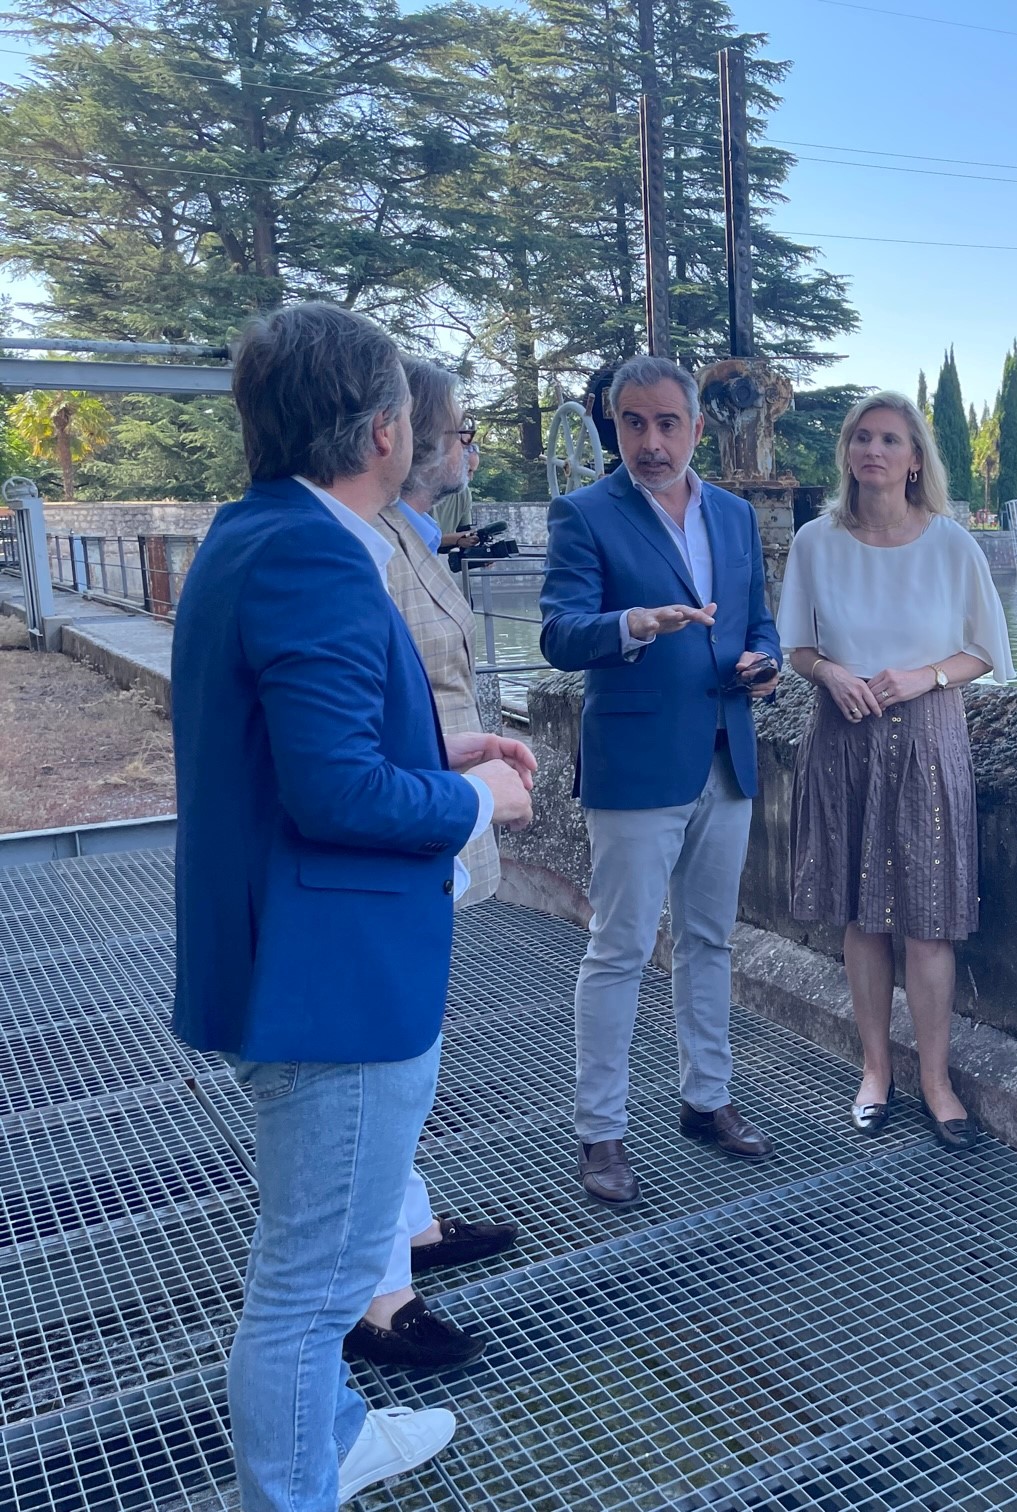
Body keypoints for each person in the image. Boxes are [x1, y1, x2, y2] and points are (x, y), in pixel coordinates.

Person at [171, 301, 534, 1512]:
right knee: (314, 1287)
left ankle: (332, 1437)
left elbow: (286, 746)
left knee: (315, 1248)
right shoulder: (318, 553)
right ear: (384, 430)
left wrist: (439, 748)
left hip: (287, 953)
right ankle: (296, 1487)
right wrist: (476, 799)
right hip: (330, 979)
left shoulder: (254, 530)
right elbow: (332, 793)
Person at [539, 354, 781, 1204]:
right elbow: (559, 634)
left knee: (709, 941)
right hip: (637, 763)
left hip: (727, 751)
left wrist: (765, 663)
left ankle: (706, 1100)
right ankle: (600, 1133)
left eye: (667, 424)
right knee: (620, 949)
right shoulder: (583, 514)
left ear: (697, 428)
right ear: (614, 426)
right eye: (633, 424)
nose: (650, 442)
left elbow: (758, 622)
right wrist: (634, 624)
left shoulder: (736, 516)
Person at [342, 359, 524, 1376]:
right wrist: (465, 790)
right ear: (399, 436)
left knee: (416, 1048)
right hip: (414, 819)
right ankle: (379, 1296)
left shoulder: (409, 534)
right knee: (392, 1061)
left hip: (436, 802)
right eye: (457, 432)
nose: (466, 450)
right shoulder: (362, 545)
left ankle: (406, 1225)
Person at [775, 391, 1014, 1150]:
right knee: (862, 917)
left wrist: (923, 677)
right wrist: (829, 673)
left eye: (889, 440)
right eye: (862, 438)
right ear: (847, 453)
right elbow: (797, 647)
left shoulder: (952, 544)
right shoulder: (815, 542)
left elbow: (986, 652)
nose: (873, 451)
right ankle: (875, 1071)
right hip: (844, 737)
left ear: (915, 460)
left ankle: (937, 1082)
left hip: (928, 738)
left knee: (930, 923)